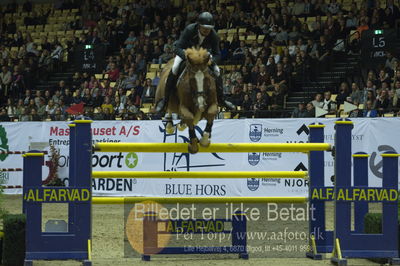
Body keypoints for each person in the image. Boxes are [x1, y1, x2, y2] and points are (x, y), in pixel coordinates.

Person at [155, 12, 235, 113]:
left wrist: (211, 61)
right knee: (175, 68)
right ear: (198, 25)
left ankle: (222, 100)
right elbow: (177, 47)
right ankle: (165, 100)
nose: (207, 30)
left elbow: (217, 54)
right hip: (186, 53)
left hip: (203, 56)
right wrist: (187, 56)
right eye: (204, 28)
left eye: (209, 28)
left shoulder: (213, 35)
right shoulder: (190, 29)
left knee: (217, 71)